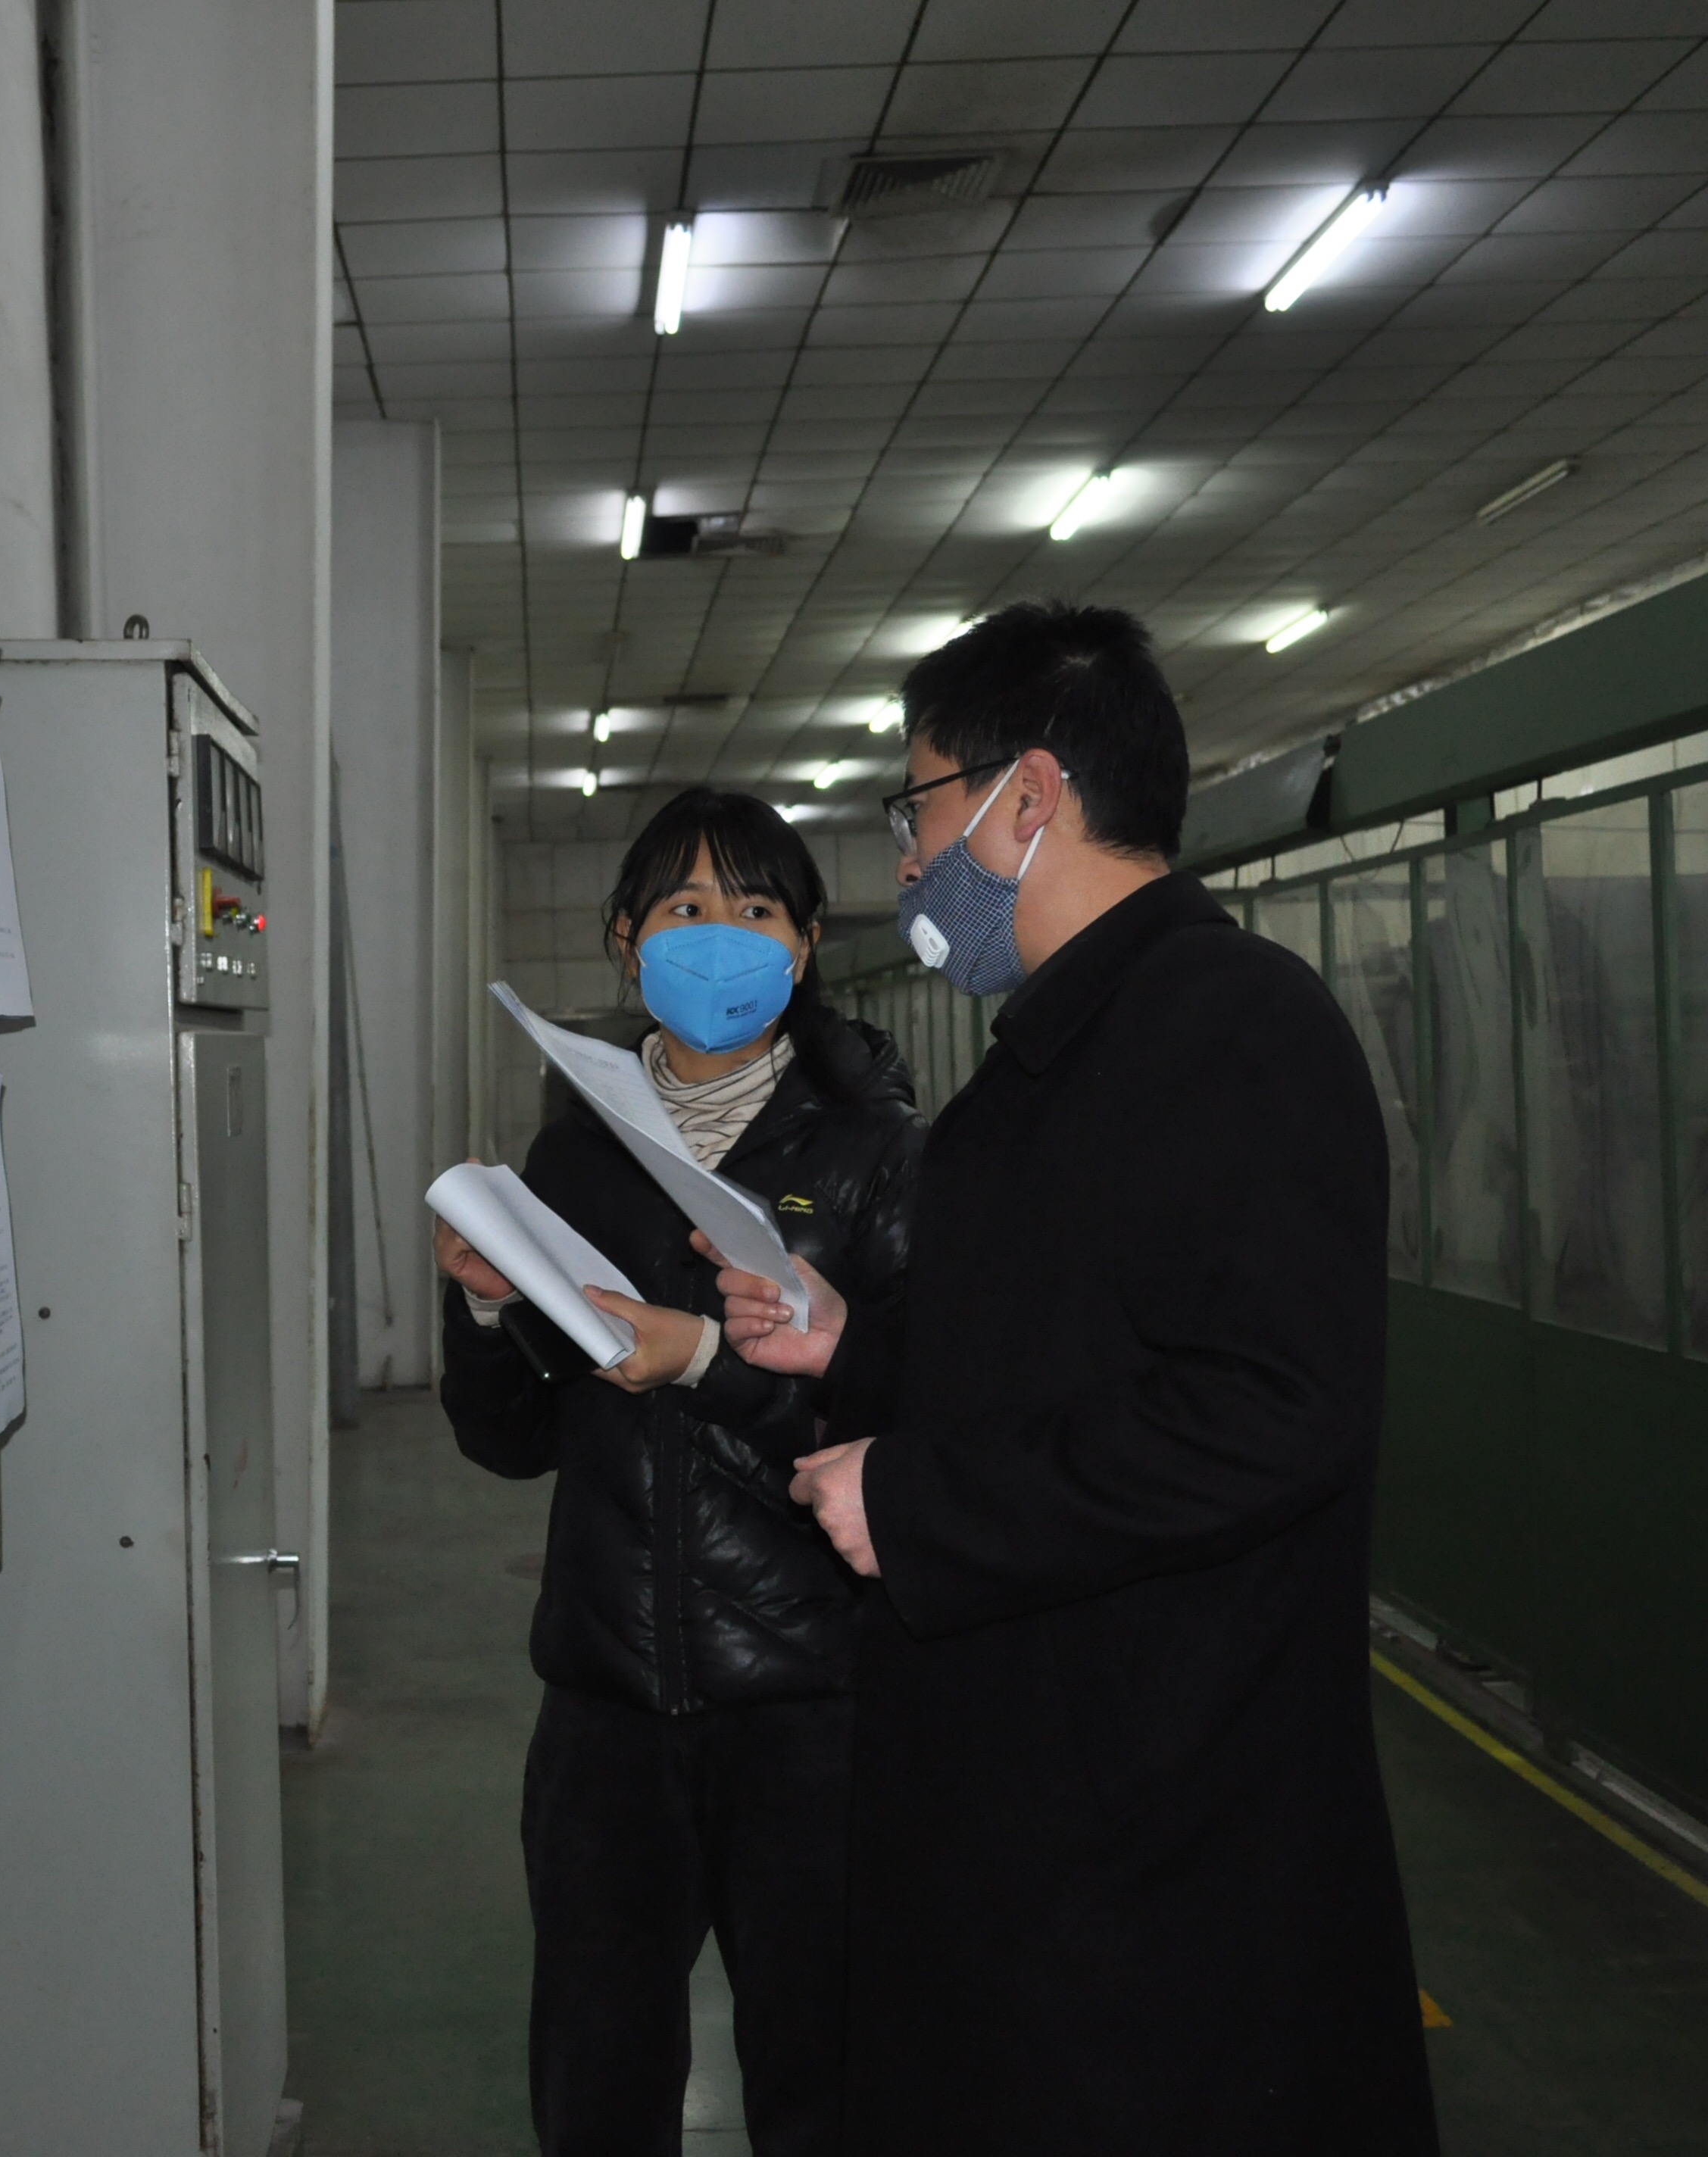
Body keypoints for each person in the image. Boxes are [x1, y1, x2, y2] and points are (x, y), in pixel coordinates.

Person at [715, 604, 1439, 2153]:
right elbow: (1051, 1351)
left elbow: (1270, 1408)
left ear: (1027, 796)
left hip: (1159, 1835)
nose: (908, 860)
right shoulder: (1059, 1048)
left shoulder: (1234, 1027)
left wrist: (920, 1504)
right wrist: (853, 1347)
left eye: (918, 807)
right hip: (1042, 1810)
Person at [432, 787, 923, 2157]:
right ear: (626, 939)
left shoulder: (877, 1154)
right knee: (597, 2088)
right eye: (685, 907)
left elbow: (911, 1418)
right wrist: (483, 1308)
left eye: (757, 908)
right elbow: (511, 1438)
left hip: (810, 1707)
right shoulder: (576, 1151)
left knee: (823, 2087)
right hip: (606, 1706)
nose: (721, 936)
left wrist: (706, 1357)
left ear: (807, 944)